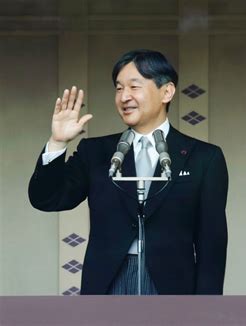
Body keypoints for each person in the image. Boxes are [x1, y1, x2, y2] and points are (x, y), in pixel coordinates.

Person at [29, 49, 229, 295]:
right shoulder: (97, 152)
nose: (124, 97)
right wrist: (57, 142)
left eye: (134, 87)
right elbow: (47, 198)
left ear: (167, 92)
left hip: (174, 285)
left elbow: (212, 243)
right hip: (108, 281)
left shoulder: (204, 158)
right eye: (118, 88)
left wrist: (208, 309)